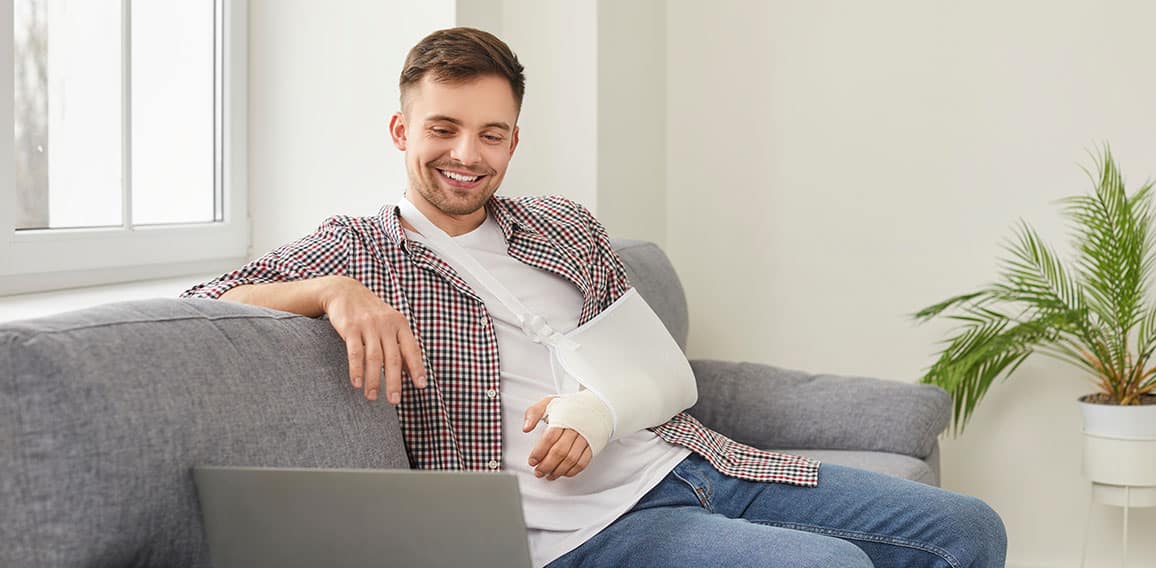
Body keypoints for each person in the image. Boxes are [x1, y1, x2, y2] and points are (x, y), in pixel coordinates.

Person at [182, 27, 1007, 568]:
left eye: (491, 133)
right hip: (583, 533)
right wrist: (329, 291)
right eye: (443, 128)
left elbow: (655, 371)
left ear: (514, 139)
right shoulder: (359, 248)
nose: (467, 154)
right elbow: (199, 301)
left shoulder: (564, 225)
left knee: (971, 530)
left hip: (692, 461)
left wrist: (597, 409)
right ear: (403, 132)